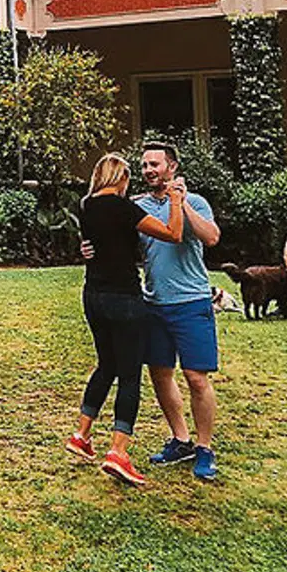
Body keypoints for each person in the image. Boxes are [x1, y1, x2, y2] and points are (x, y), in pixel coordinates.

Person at [66, 153, 184, 488]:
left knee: (106, 365)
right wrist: (174, 198)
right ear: (122, 178)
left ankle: (82, 434)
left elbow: (93, 243)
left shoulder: (87, 205)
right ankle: (118, 452)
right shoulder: (124, 209)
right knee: (130, 375)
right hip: (125, 299)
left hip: (94, 296)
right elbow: (173, 233)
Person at [135, 141, 222, 483]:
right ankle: (181, 440)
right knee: (160, 373)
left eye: (154, 164)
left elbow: (211, 237)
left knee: (196, 377)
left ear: (171, 167)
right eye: (144, 165)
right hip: (153, 302)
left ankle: (204, 448)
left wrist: (181, 203)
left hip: (191, 301)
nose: (148, 170)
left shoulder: (195, 201)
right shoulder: (138, 206)